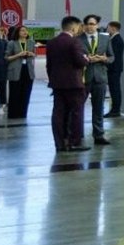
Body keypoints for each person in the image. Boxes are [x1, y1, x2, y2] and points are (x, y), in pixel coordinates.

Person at [47, 15, 90, 152]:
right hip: (74, 84)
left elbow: (49, 65)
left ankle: (59, 143)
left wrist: (53, 80)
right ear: (73, 27)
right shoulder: (74, 42)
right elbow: (80, 61)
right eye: (79, 26)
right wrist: (86, 59)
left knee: (58, 113)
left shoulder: (52, 42)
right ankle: (74, 142)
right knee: (76, 113)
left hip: (57, 84)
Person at [78, 15, 112, 146]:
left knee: (98, 108)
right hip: (83, 77)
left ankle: (98, 135)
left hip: (100, 77)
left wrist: (104, 59)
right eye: (87, 24)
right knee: (78, 107)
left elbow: (112, 57)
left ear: (97, 25)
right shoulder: (78, 39)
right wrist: (86, 59)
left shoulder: (105, 38)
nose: (89, 27)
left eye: (92, 24)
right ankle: (78, 134)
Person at [5, 25, 37, 125]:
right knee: (15, 92)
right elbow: (6, 57)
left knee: (26, 92)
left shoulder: (31, 42)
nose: (25, 32)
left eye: (26, 30)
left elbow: (34, 54)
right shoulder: (12, 43)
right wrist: (18, 55)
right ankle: (13, 114)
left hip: (28, 70)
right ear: (18, 32)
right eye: (22, 30)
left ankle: (23, 113)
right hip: (15, 70)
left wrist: (31, 54)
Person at [104, 21, 124, 118]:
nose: (107, 29)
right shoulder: (114, 39)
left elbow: (113, 55)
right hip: (114, 68)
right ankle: (115, 109)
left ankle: (115, 110)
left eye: (108, 27)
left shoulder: (116, 40)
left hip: (114, 69)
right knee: (114, 89)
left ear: (113, 28)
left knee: (115, 89)